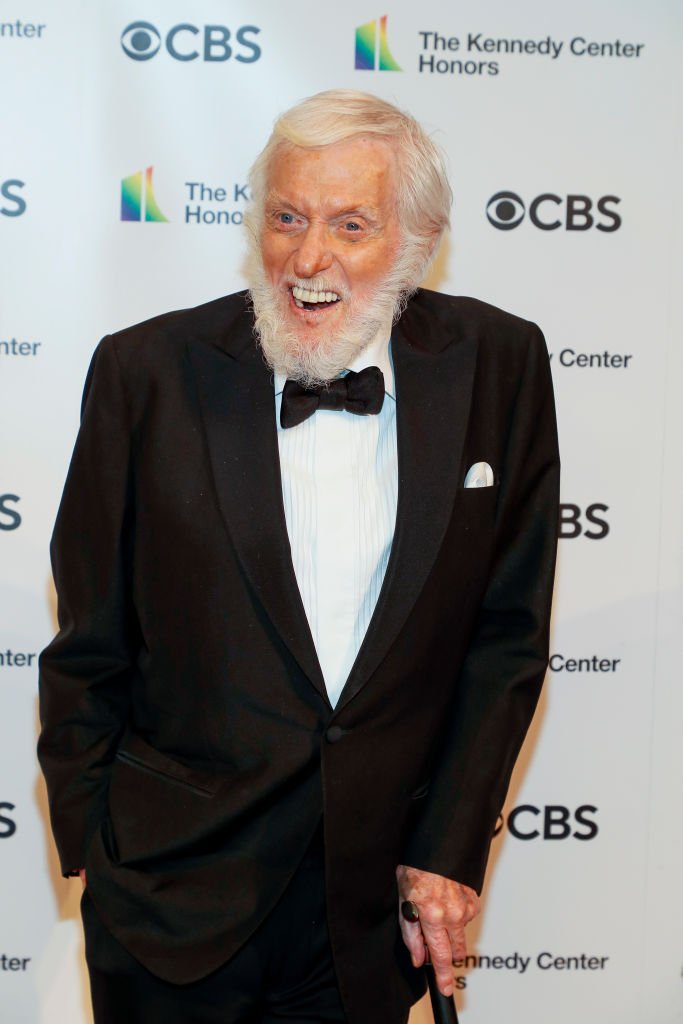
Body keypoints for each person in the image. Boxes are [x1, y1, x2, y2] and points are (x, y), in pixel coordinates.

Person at [38, 89, 560, 1024]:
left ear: (418, 238)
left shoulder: (498, 365)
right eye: (286, 217)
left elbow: (505, 634)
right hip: (170, 904)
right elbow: (89, 637)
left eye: (349, 225)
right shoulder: (147, 372)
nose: (307, 258)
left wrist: (445, 847)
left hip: (364, 912)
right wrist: (94, 844)